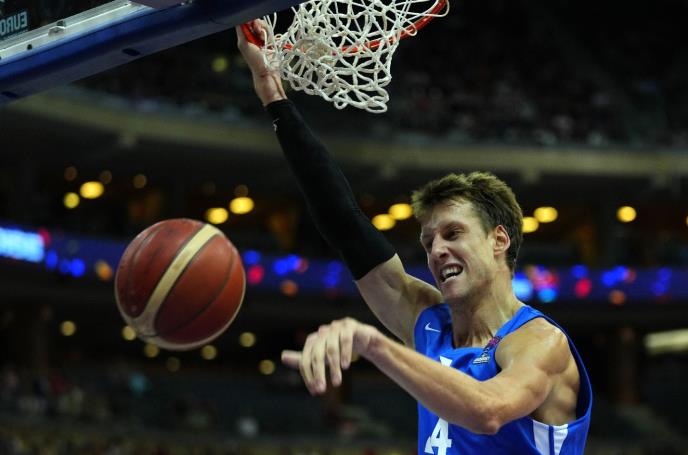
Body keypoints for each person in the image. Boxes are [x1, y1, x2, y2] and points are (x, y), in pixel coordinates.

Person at [236, 21, 592, 454]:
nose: (437, 250)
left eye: (453, 233)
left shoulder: (539, 342)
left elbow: (488, 411)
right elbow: (346, 225)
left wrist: (373, 343)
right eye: (428, 242)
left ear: (499, 240)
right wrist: (272, 92)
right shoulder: (429, 324)